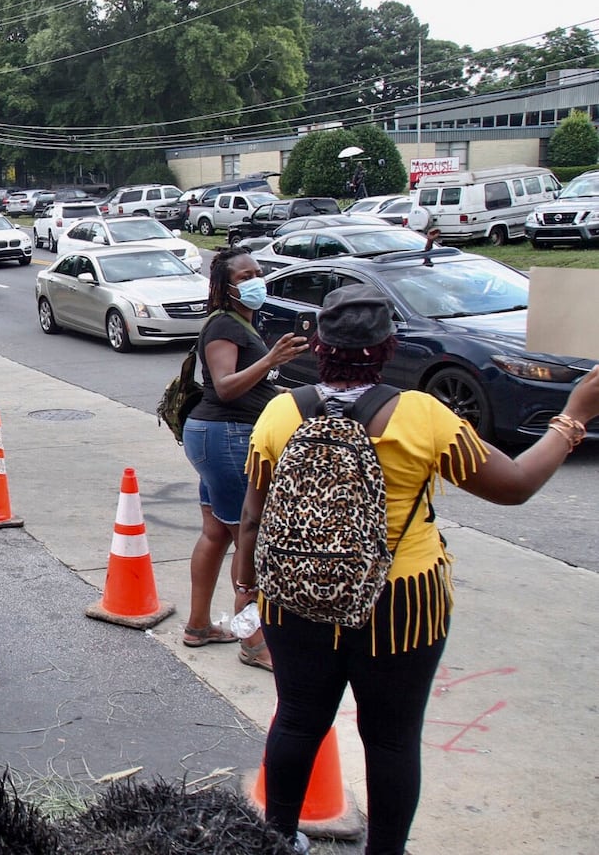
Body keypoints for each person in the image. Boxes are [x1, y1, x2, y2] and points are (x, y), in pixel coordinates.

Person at [236, 285, 599, 855]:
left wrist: (245, 592)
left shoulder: (281, 412)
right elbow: (517, 486)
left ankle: (276, 839)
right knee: (391, 739)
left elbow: (252, 517)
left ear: (319, 345)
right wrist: (572, 417)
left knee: (298, 720)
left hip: (296, 597)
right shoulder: (423, 416)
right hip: (401, 603)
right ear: (388, 347)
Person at [180, 246, 307, 671]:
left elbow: (248, 388)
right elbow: (226, 386)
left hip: (217, 435)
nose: (256, 279)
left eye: (258, 271)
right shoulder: (222, 326)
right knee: (246, 538)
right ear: (224, 287)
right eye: (244, 276)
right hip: (227, 436)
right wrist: (271, 360)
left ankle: (199, 626)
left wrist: (280, 395)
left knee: (216, 531)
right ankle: (253, 641)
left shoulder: (240, 322)